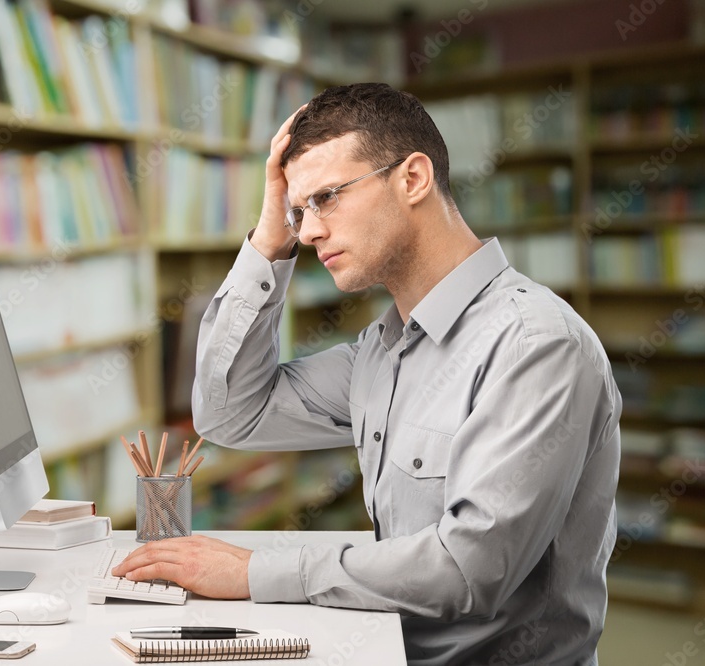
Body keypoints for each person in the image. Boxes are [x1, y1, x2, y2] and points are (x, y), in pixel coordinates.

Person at [112, 83, 621, 665]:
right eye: (299, 211)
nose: (307, 231)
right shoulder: (382, 351)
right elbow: (228, 414)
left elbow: (469, 570)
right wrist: (268, 241)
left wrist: (256, 572)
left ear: (413, 178)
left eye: (325, 198)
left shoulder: (535, 346)